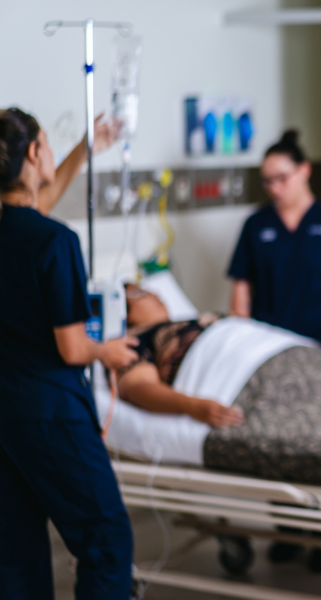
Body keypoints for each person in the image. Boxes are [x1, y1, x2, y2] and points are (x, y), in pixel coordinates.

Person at [0, 108, 137, 599]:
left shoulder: (21, 231)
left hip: (5, 417)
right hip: (49, 413)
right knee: (107, 540)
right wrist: (110, 351)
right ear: (35, 153)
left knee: (14, 554)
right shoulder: (56, 241)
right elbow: (73, 347)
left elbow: (30, 207)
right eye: (48, 144)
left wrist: (86, 146)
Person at [228, 130, 321, 354]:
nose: (274, 188)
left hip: (319, 341)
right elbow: (241, 293)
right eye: (267, 181)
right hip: (265, 342)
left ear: (304, 170)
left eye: (282, 178)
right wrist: (241, 346)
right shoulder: (256, 224)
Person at [116, 285, 244, 428]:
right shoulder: (134, 340)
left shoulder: (182, 322)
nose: (154, 294)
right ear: (122, 311)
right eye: (140, 293)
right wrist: (192, 405)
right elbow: (137, 387)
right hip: (240, 368)